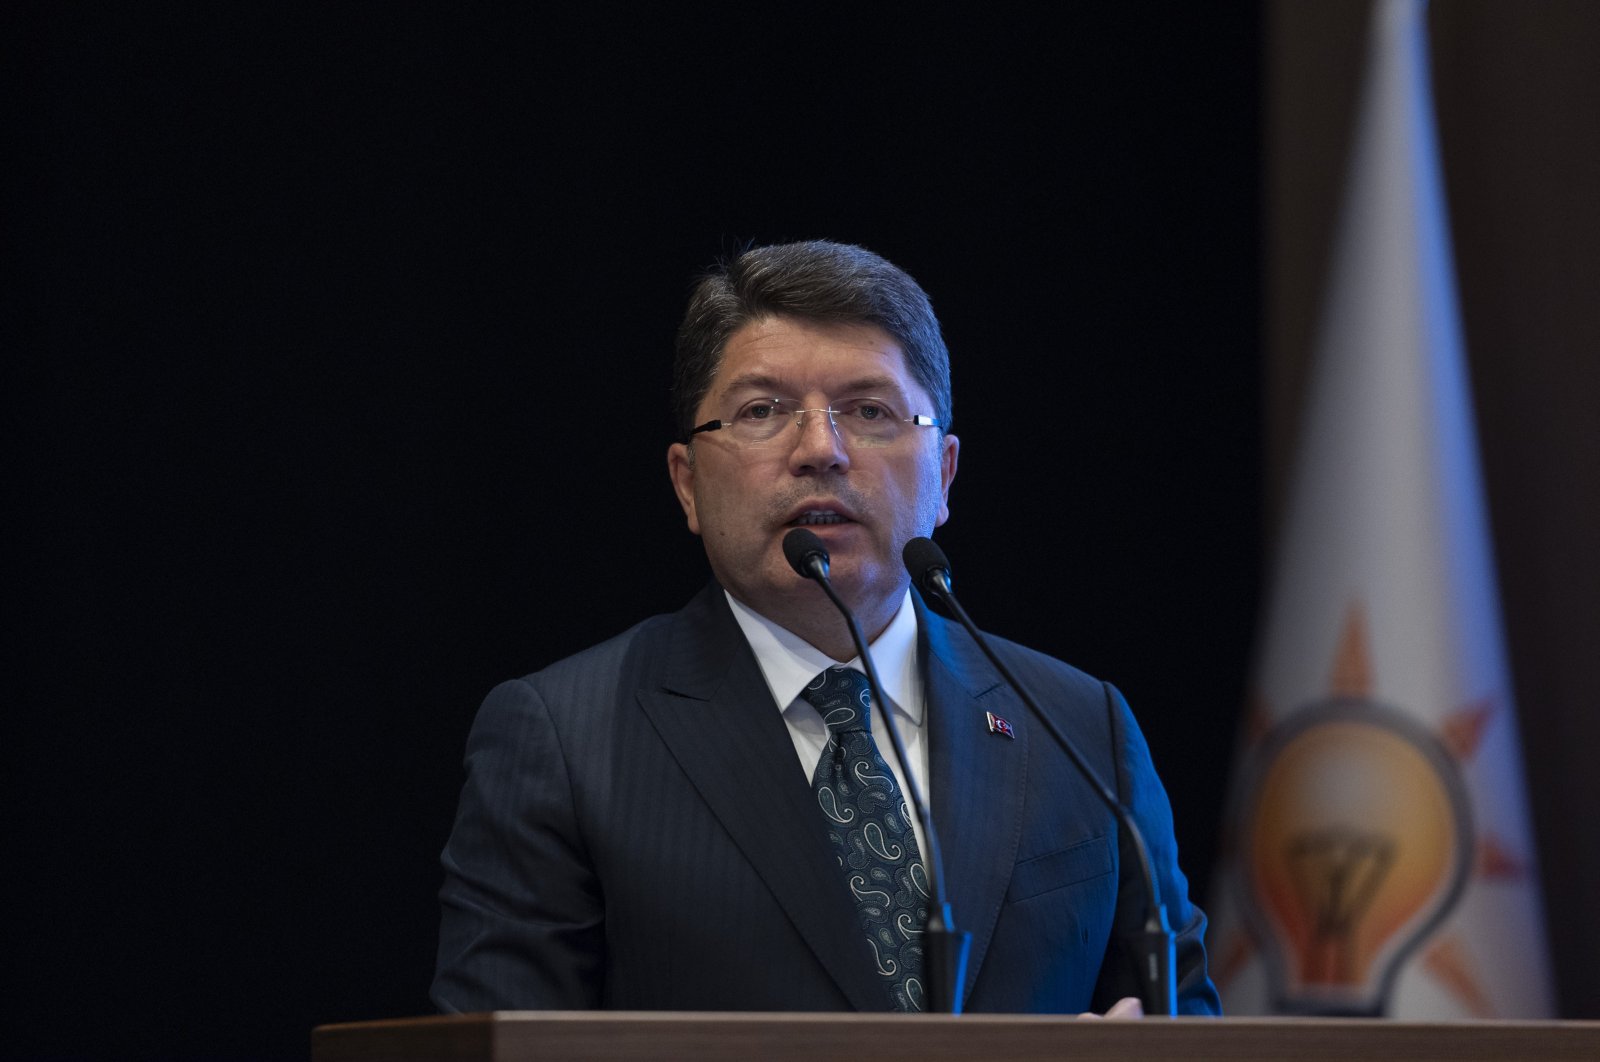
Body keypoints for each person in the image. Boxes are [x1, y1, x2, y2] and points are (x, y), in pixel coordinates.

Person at [431, 240, 1219, 1015]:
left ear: (943, 474)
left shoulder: (1081, 729)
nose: (820, 450)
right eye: (763, 411)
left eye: (869, 410)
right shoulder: (563, 741)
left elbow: (1188, 1027)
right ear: (687, 485)